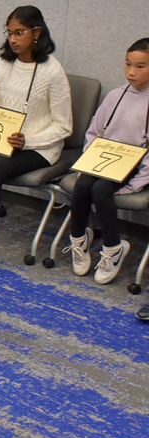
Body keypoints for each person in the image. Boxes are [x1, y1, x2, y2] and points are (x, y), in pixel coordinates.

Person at [0, 5, 72, 277]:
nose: (13, 39)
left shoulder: (52, 71)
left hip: (40, 147)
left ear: (37, 33)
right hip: (3, 140)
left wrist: (28, 139)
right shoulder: (3, 63)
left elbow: (64, 127)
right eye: (9, 33)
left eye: (19, 33)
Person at [65, 38, 149, 285]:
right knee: (82, 186)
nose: (131, 72)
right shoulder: (116, 95)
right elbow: (94, 133)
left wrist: (135, 185)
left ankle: (113, 248)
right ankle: (79, 239)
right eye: (128, 64)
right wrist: (86, 164)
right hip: (104, 158)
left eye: (141, 66)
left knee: (101, 190)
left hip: (134, 163)